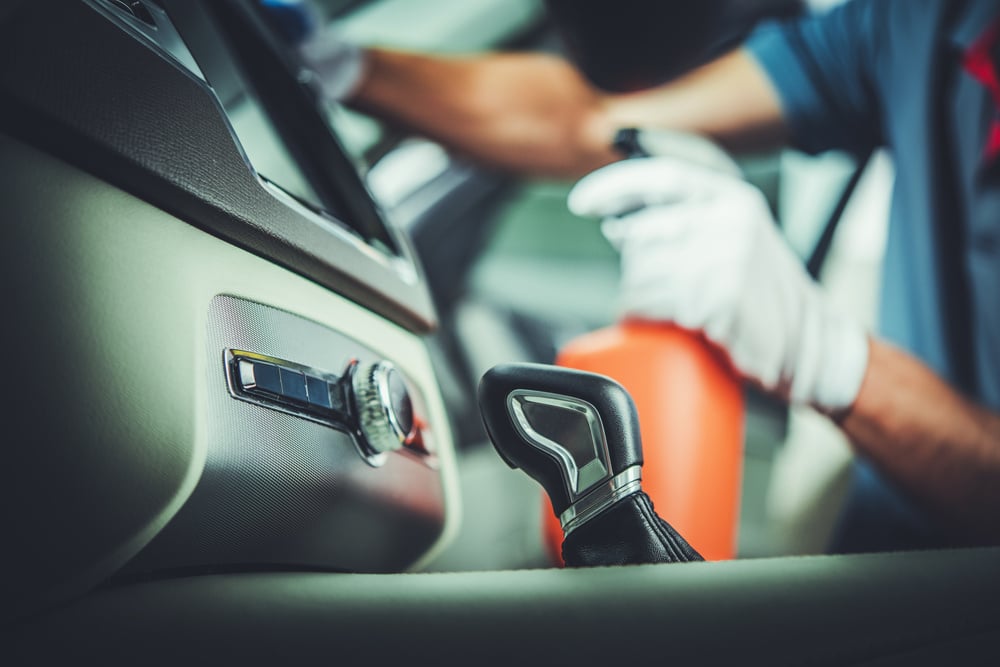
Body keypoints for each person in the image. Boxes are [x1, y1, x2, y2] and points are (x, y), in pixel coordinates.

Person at [292, 0, 1000, 551]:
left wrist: (833, 360)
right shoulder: (918, 20)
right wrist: (335, 63)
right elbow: (600, 119)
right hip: (876, 571)